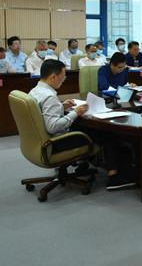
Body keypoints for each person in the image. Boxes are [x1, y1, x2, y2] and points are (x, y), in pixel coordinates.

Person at [29, 59, 135, 190]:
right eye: (63, 76)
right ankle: (114, 178)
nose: (64, 79)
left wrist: (61, 106)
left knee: (84, 127)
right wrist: (76, 112)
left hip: (41, 140)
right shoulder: (49, 97)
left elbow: (43, 113)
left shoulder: (36, 91)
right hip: (55, 142)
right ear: (53, 77)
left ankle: (85, 163)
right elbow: (53, 127)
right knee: (107, 134)